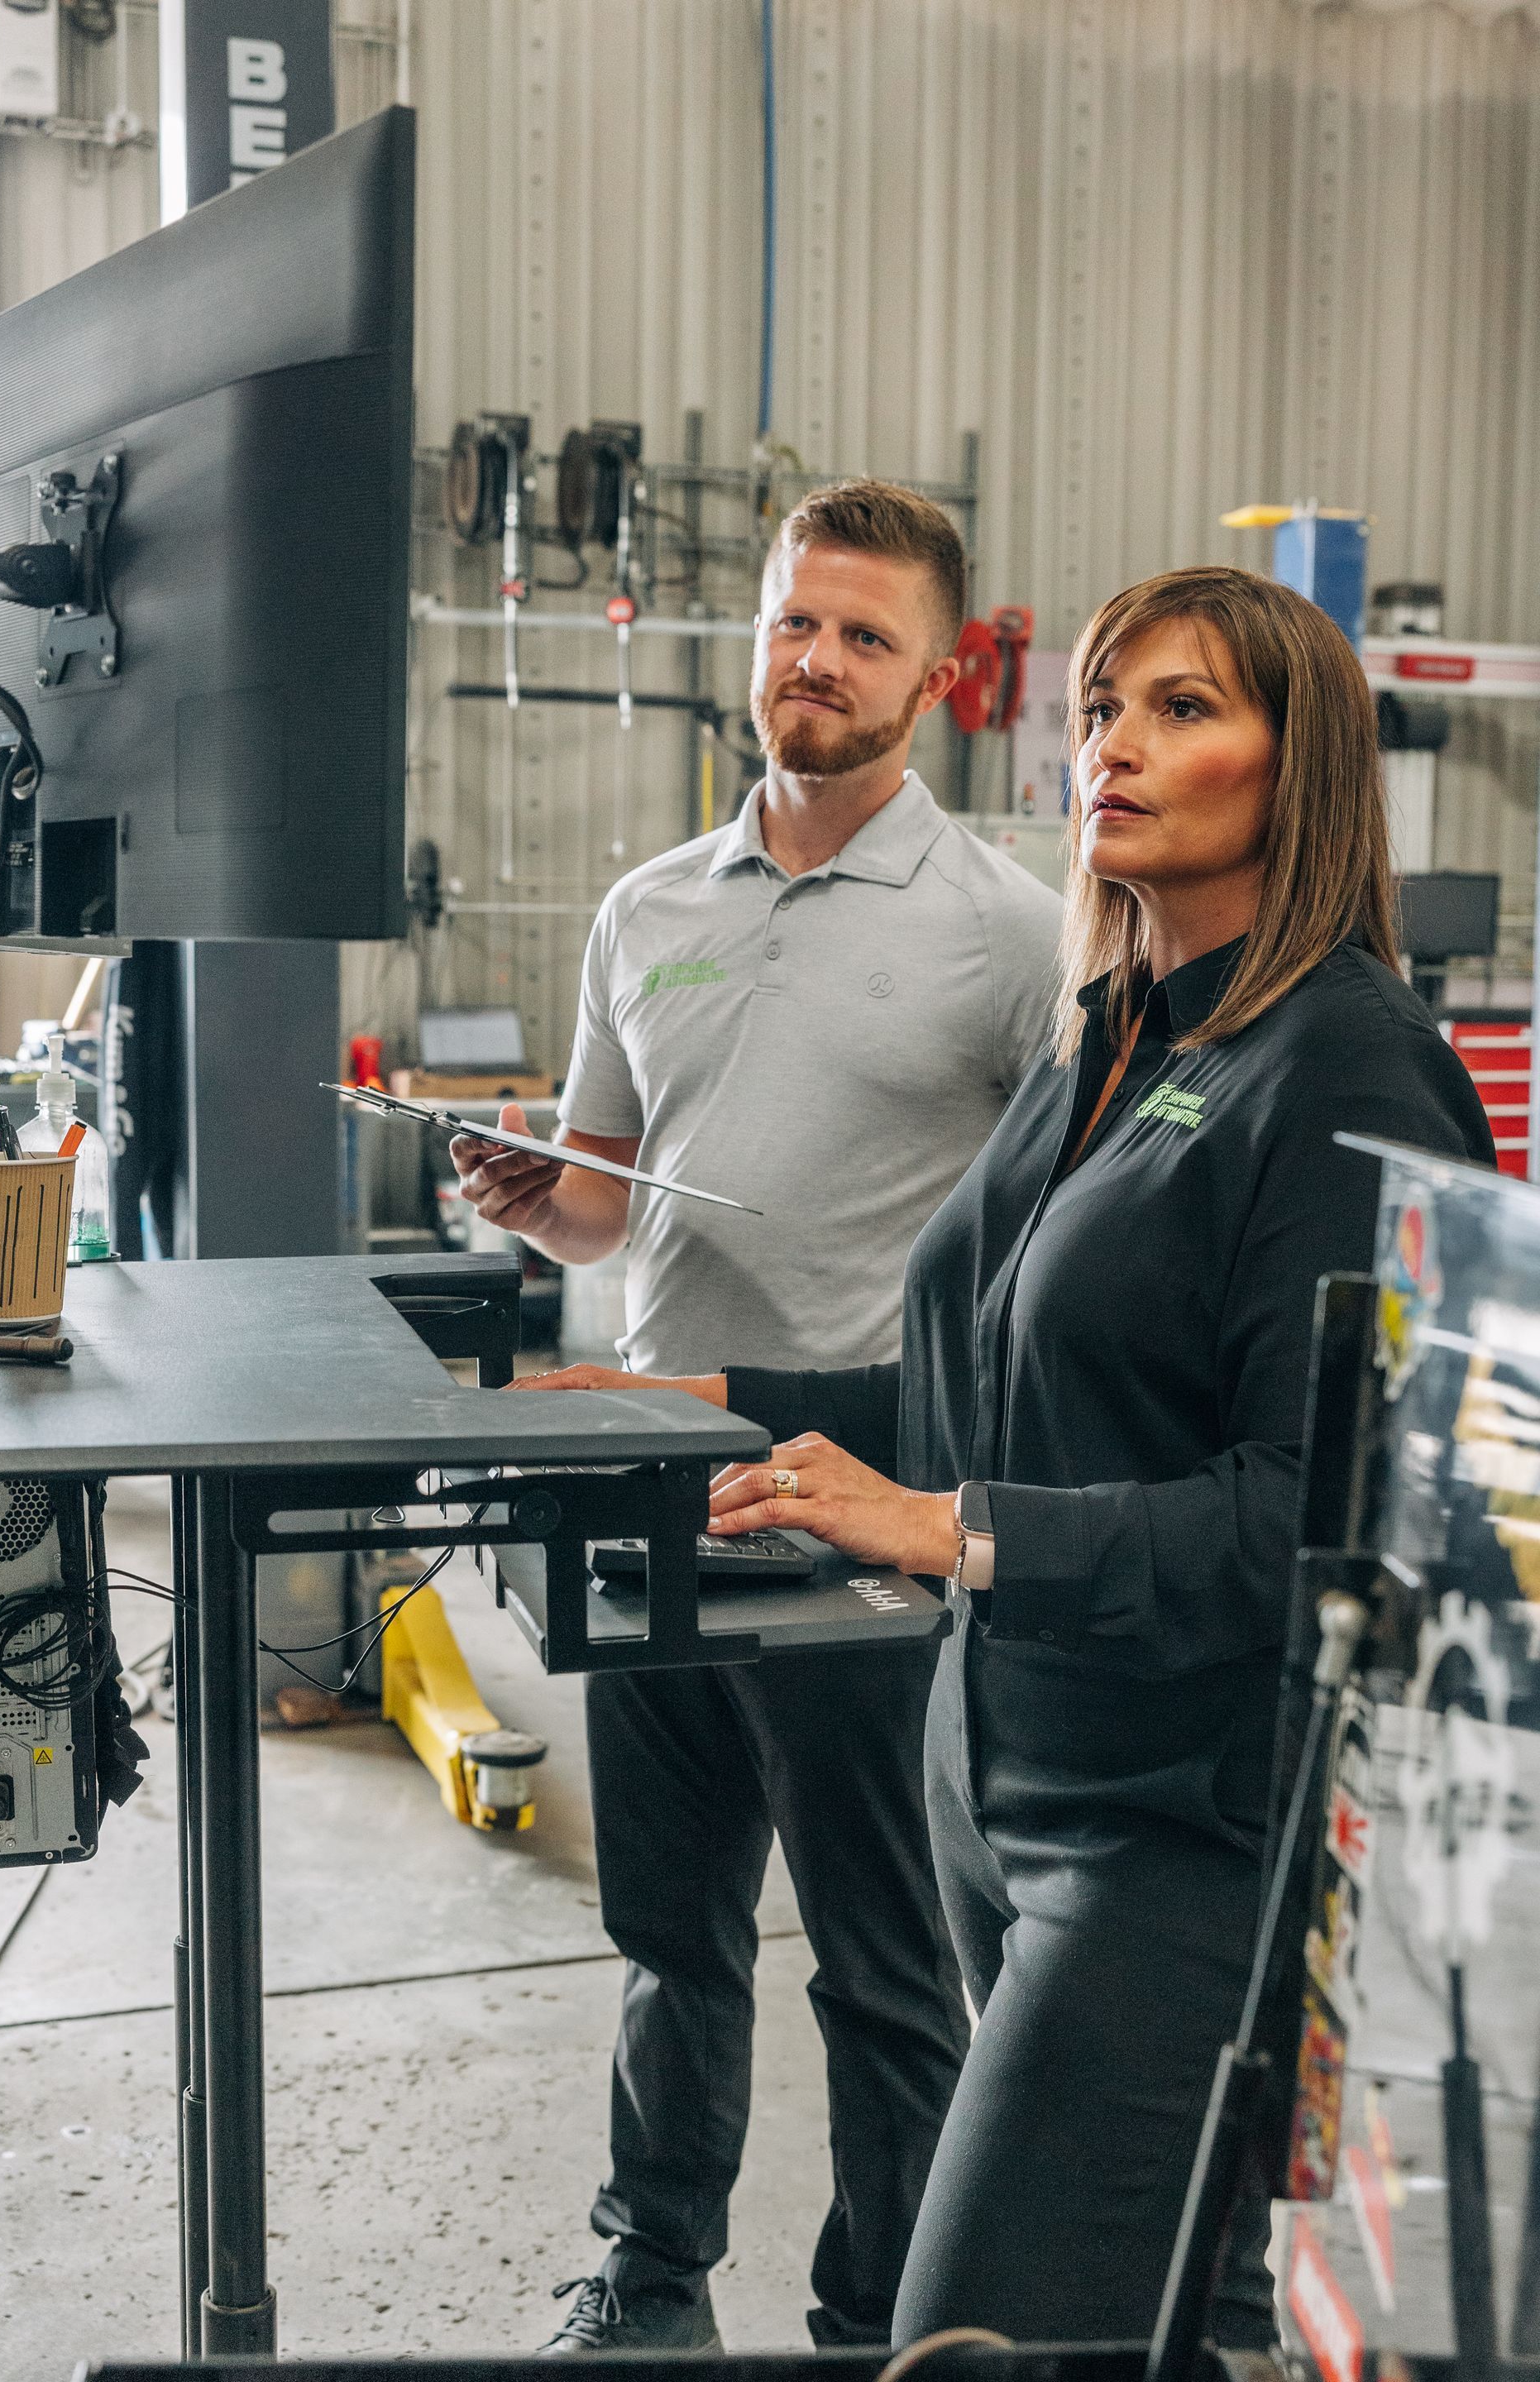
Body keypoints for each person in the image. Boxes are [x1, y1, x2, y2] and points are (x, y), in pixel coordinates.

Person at [513, 564, 1496, 2345]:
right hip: (999, 1785)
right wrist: (706, 1409)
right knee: (1155, 2330)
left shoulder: (1347, 1064)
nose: (1112, 744)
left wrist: (951, 1531)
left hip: (1178, 1838)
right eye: (1104, 704)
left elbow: (1329, 1525)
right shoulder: (1114, 1034)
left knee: (966, 2332)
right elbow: (993, 1392)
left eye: (1184, 708)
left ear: (1308, 767)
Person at [453, 479, 1062, 2355]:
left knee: (888, 1967)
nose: (816, 658)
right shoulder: (651, 907)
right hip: (658, 1493)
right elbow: (619, 1193)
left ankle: (891, 2319)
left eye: (865, 634)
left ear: (941, 676)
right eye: (799, 620)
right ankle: (651, 2284)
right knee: (667, 1935)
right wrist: (534, 1190)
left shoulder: (1008, 932)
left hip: (854, 1510)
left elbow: (1050, 1269)